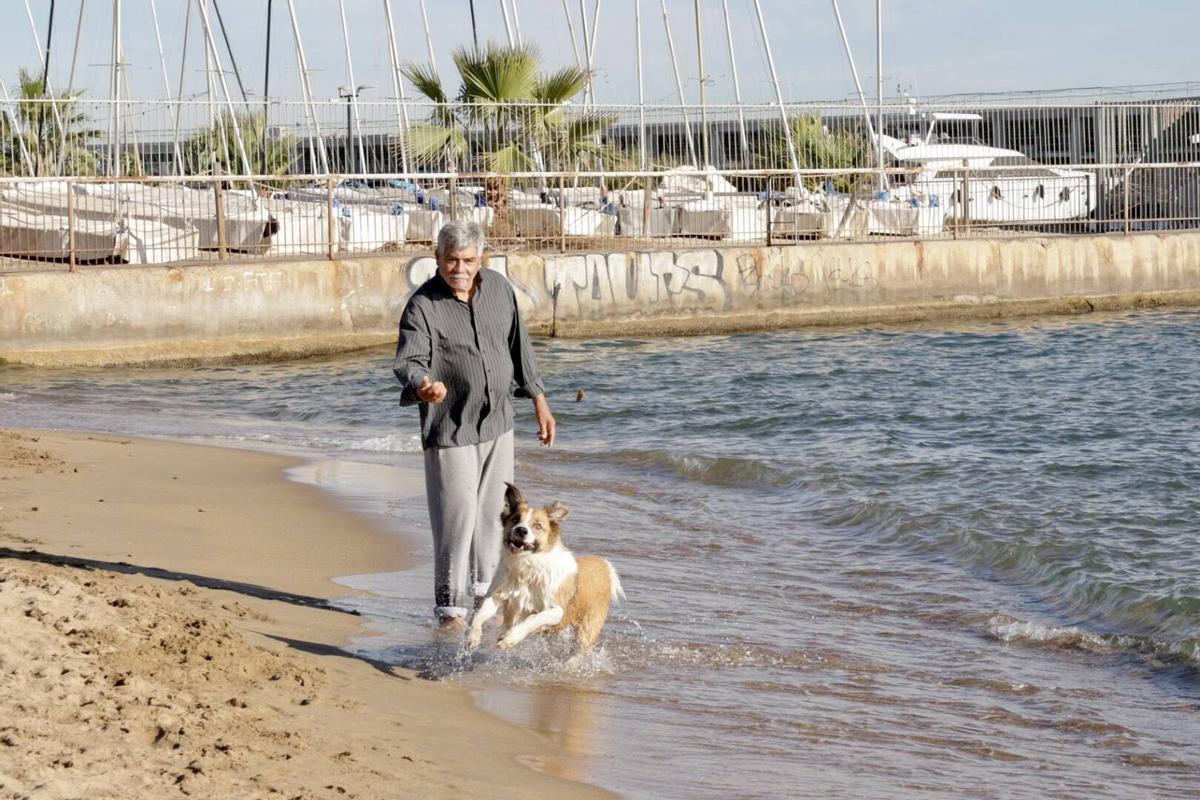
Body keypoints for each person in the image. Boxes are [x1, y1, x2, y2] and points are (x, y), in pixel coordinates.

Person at [393, 220, 556, 628]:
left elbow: (520, 347)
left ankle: (486, 596)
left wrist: (539, 400)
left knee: (491, 517)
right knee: (457, 518)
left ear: (480, 259)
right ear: (437, 258)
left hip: (499, 421)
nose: (459, 268)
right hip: (450, 427)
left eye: (467, 260)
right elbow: (409, 362)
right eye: (450, 260)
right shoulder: (422, 306)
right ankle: (450, 610)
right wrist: (424, 386)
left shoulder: (499, 289)